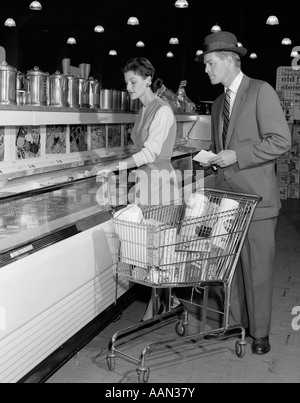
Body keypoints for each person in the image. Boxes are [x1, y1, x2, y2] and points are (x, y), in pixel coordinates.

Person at [196, 31, 291, 354]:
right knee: (230, 268)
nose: (206, 70)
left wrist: (238, 155)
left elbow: (280, 140)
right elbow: (222, 146)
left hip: (258, 201)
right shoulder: (219, 103)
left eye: (210, 63)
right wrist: (210, 158)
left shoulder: (260, 91)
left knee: (258, 269)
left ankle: (260, 333)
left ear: (228, 60)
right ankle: (234, 323)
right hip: (228, 200)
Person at [92, 57, 180, 320]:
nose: (129, 87)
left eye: (134, 81)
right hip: (145, 185)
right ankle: (168, 301)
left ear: (148, 80)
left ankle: (157, 308)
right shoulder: (144, 110)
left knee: (155, 249)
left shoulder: (162, 110)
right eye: (127, 82)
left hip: (160, 187)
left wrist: (117, 166)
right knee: (148, 248)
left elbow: (151, 153)